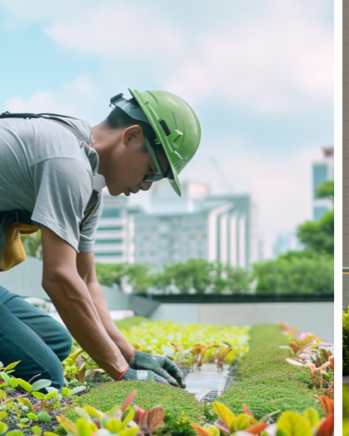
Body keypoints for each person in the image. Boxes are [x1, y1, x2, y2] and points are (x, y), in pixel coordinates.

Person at [0, 89, 201, 388]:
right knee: (46, 375)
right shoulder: (66, 161)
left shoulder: (91, 190)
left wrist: (130, 356)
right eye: (152, 172)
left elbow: (86, 279)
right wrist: (122, 373)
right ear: (131, 135)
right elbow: (59, 278)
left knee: (55, 340)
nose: (146, 186)